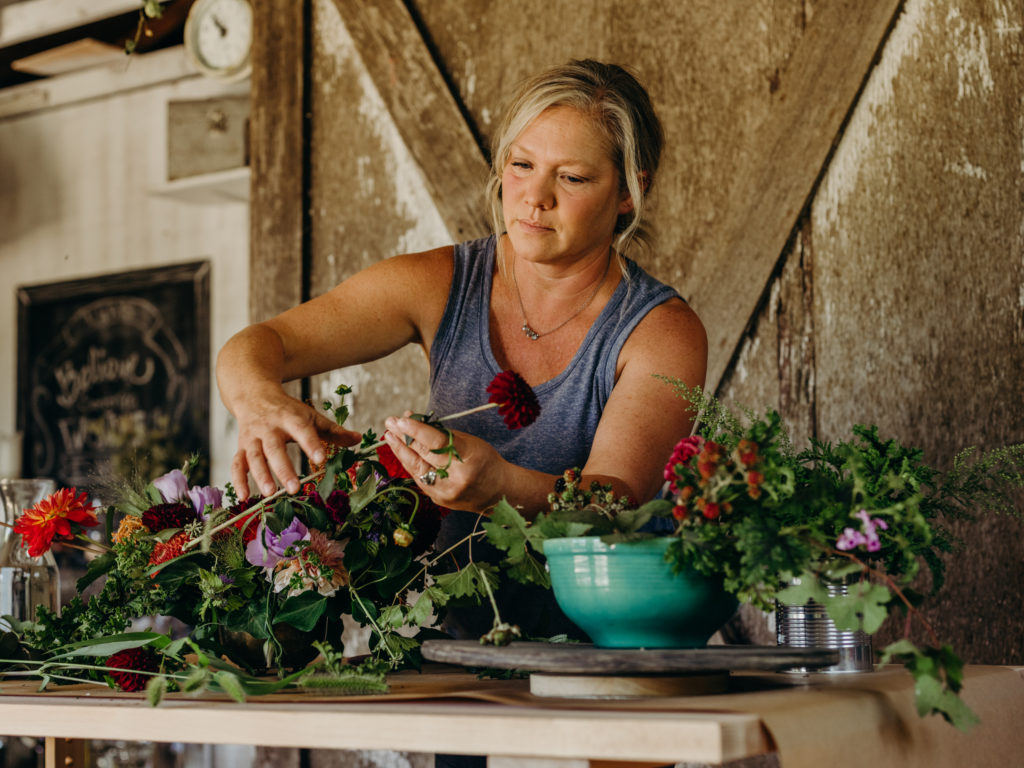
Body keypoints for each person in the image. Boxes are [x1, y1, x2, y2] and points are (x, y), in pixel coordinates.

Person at [216, 59, 707, 634]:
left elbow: (613, 503)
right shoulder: (442, 282)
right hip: (439, 648)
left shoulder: (660, 329)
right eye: (521, 165)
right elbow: (260, 343)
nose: (535, 197)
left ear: (629, 190)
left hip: (594, 651)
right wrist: (259, 402)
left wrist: (500, 487)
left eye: (572, 178)